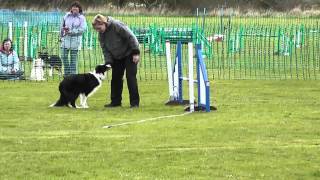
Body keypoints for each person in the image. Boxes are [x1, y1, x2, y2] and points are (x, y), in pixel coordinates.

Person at [92, 14, 140, 108]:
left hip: (129, 52)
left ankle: (134, 103)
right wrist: (109, 62)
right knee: (116, 78)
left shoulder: (116, 25)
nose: (99, 30)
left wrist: (135, 52)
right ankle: (115, 102)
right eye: (96, 29)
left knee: (130, 77)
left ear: (104, 23)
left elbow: (131, 37)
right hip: (117, 57)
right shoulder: (101, 35)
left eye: (99, 27)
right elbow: (105, 50)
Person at [60, 1, 87, 75]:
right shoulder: (66, 16)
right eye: (73, 7)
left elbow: (83, 29)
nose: (74, 9)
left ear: (79, 9)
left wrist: (72, 31)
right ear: (71, 8)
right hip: (65, 39)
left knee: (73, 60)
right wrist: (62, 34)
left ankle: (73, 76)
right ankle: (67, 73)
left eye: (76, 7)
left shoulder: (82, 18)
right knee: (63, 57)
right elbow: (62, 26)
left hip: (75, 41)